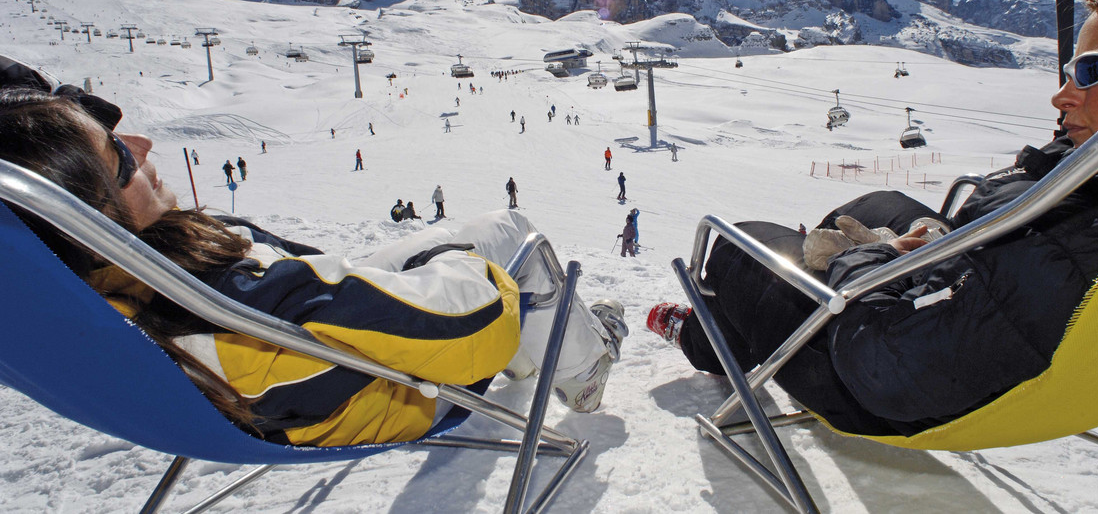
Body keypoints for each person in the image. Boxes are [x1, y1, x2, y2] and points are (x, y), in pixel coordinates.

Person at [647, 0, 1098, 438]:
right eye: (1071, 70)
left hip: (875, 383)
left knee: (742, 247)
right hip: (981, 308)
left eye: (1094, 70)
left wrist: (865, 259)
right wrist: (939, 249)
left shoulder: (1077, 232)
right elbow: (1013, 275)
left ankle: (705, 339)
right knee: (878, 204)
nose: (1061, 95)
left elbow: (884, 366)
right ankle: (762, 314)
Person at [0, 90, 630, 443]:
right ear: (88, 208)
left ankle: (537, 344)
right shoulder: (229, 293)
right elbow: (473, 328)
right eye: (118, 154)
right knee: (512, 237)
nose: (142, 144)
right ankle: (582, 371)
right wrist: (471, 270)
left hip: (296, 374)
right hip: (385, 393)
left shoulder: (83, 283)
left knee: (458, 234)